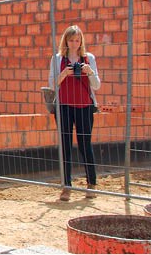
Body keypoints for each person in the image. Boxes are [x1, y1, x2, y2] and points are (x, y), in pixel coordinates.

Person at [48, 24, 101, 201]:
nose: (74, 43)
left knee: (85, 144)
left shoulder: (89, 58)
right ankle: (66, 186)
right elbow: (51, 85)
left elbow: (97, 85)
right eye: (71, 40)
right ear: (66, 41)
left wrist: (90, 71)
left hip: (85, 106)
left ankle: (91, 184)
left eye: (77, 40)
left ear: (81, 41)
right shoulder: (57, 59)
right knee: (65, 146)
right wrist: (63, 74)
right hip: (63, 106)